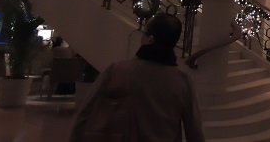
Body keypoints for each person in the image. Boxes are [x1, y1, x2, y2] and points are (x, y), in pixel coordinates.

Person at [68, 13, 206, 142]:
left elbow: (85, 114)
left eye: (144, 33)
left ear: (150, 39)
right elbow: (194, 130)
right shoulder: (183, 79)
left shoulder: (117, 70)